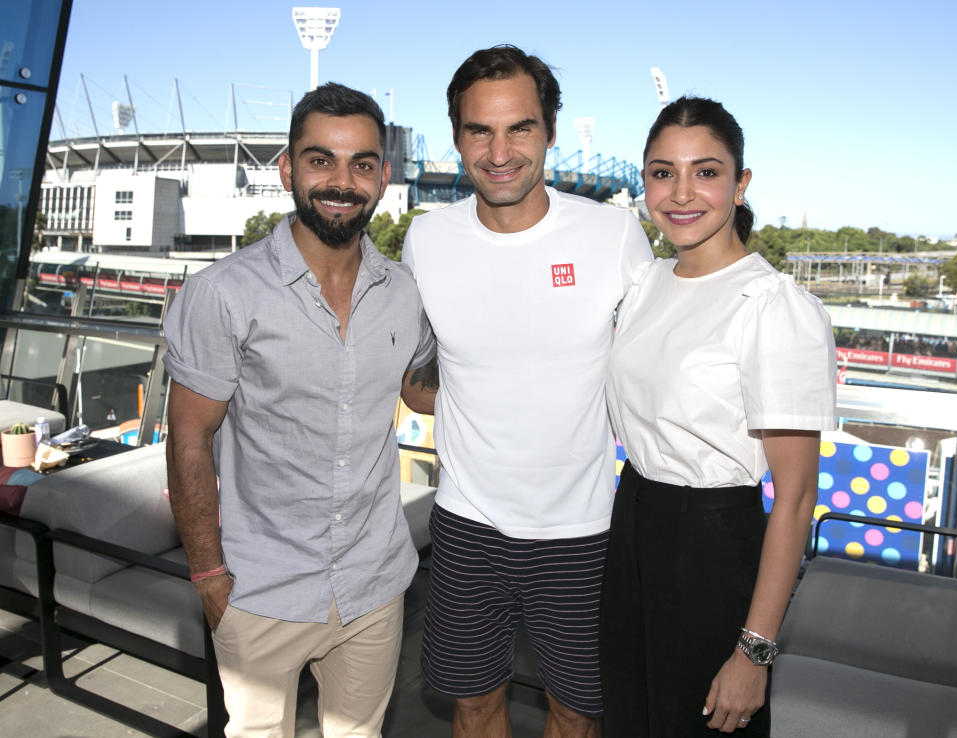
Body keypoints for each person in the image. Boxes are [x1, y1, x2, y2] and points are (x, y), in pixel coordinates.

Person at [164, 82, 436, 738]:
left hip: (374, 584)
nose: (342, 181)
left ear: (383, 177)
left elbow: (420, 388)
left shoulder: (402, 291)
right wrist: (208, 576)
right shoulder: (222, 294)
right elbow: (188, 439)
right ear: (287, 169)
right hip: (261, 590)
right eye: (321, 160)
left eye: (361, 164)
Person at [401, 45, 652, 737]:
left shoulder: (614, 234)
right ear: (456, 138)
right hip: (466, 525)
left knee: (577, 714)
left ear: (548, 131)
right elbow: (417, 377)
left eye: (520, 128)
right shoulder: (426, 240)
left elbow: (654, 371)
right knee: (474, 705)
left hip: (582, 534)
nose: (499, 149)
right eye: (479, 130)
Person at [600, 96, 836, 736]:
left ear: (740, 184)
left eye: (705, 172)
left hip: (711, 547)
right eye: (661, 172)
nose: (681, 193)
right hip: (633, 526)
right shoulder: (645, 284)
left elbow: (795, 497)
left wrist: (754, 650)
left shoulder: (773, 306)